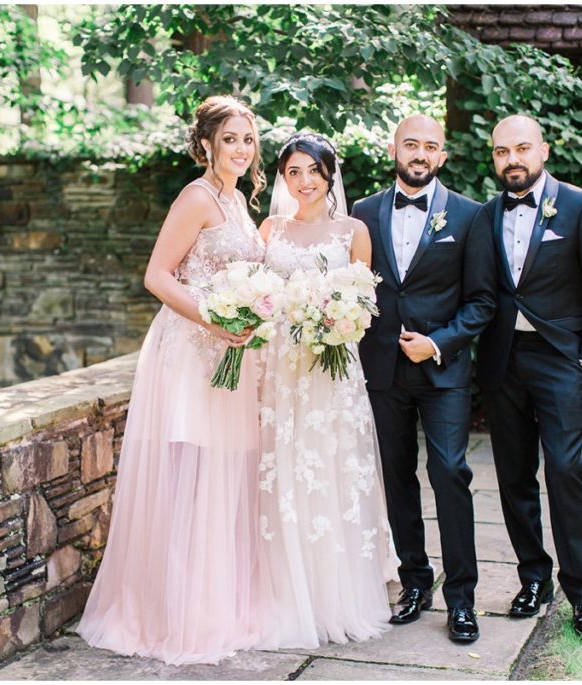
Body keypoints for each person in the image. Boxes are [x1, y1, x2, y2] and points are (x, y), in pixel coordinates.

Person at [77, 96, 269, 664]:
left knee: (223, 476)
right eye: (230, 138)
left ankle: (214, 607)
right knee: (189, 475)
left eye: (248, 139)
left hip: (231, 355)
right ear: (207, 144)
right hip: (189, 351)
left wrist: (249, 316)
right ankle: (172, 615)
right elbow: (157, 276)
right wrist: (216, 317)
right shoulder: (196, 196)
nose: (240, 148)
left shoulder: (239, 202)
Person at [474, 114, 582, 640]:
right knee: (514, 477)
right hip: (501, 362)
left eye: (521, 148)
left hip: (561, 360)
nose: (511, 159)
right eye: (501, 152)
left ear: (543, 151)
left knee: (565, 473)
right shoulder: (485, 215)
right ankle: (533, 578)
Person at [351, 115, 497, 643]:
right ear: (394, 148)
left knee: (450, 472)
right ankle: (415, 580)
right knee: (395, 476)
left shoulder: (470, 215)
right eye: (410, 143)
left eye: (429, 146)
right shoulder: (361, 213)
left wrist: (437, 343)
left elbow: (483, 301)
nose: (419, 153)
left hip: (443, 371)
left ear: (442, 156)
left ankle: (462, 598)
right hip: (382, 370)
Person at [255, 133, 396, 649]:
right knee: (286, 473)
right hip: (282, 372)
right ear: (283, 178)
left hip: (333, 373)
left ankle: (339, 597)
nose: (304, 181)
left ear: (330, 173)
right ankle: (286, 596)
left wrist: (335, 321)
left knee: (335, 470)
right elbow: (260, 299)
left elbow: (364, 305)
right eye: (293, 171)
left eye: (313, 170)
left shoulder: (354, 231)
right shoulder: (270, 229)